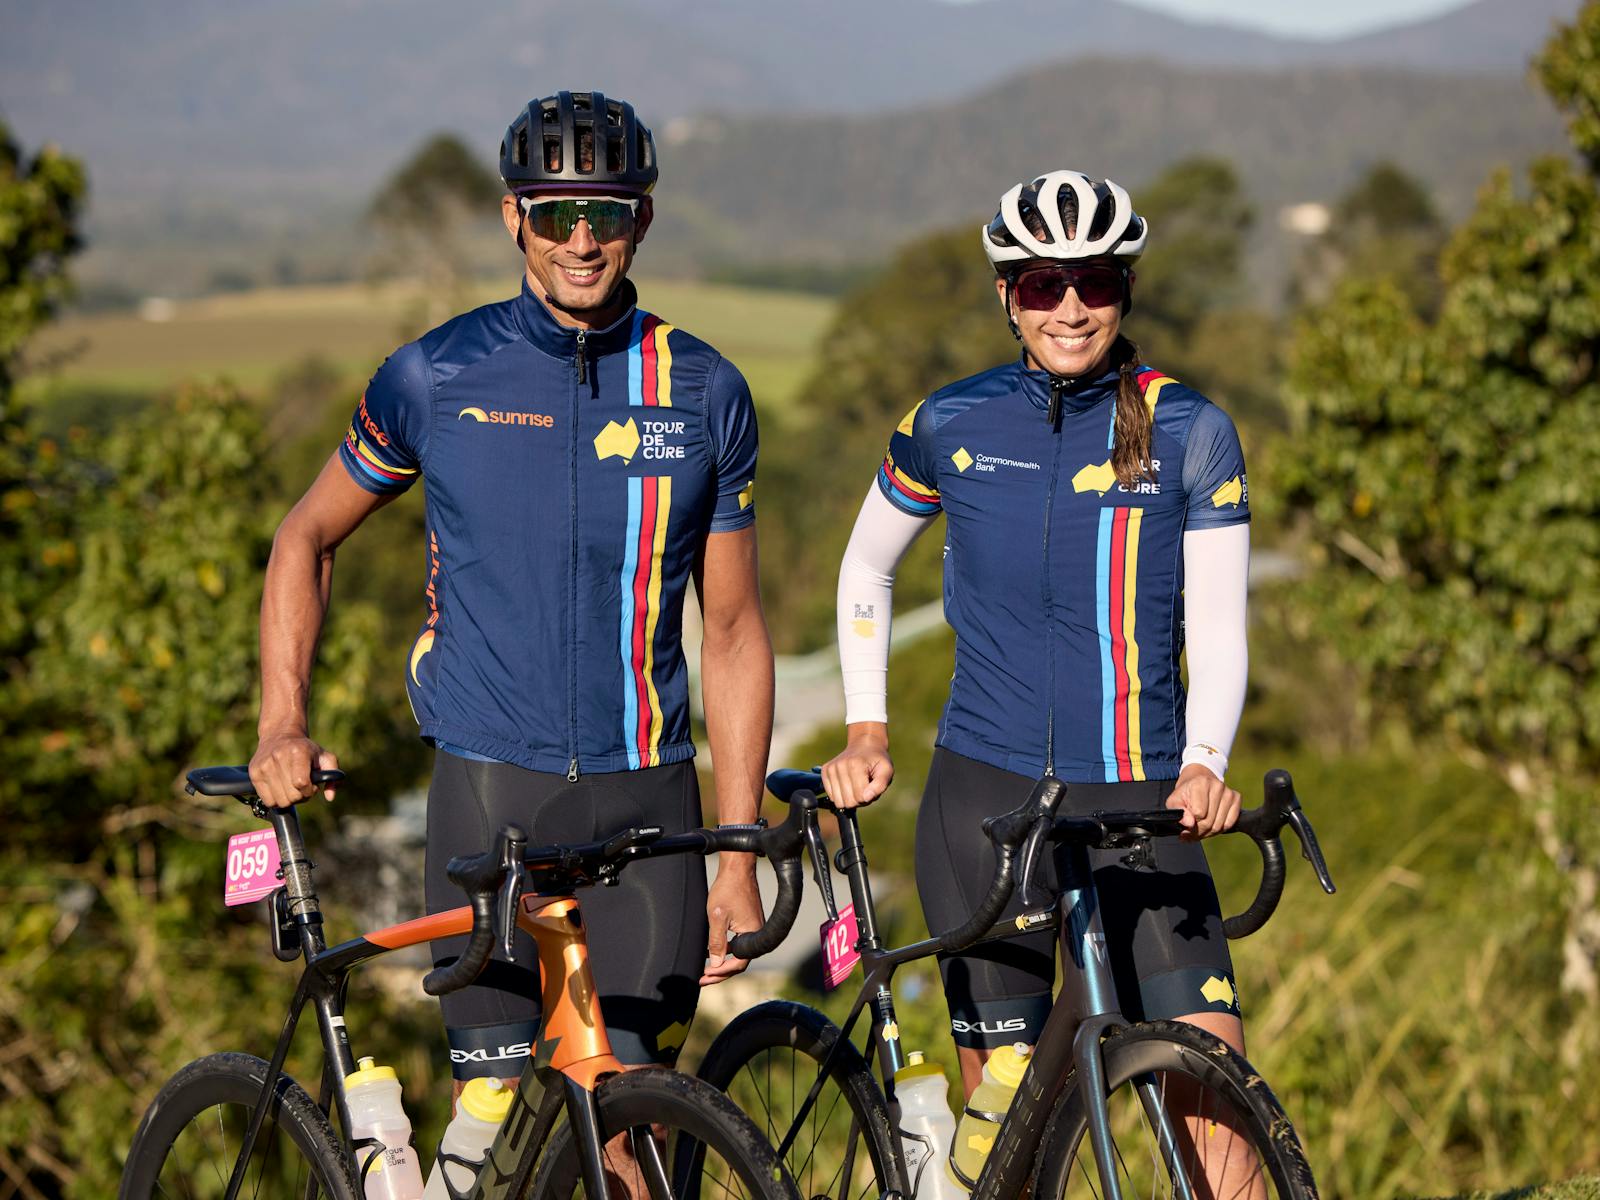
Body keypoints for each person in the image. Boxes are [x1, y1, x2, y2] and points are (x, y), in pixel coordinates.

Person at [249, 91, 773, 1091]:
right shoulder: (435, 375)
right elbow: (305, 536)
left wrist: (739, 856)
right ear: (511, 217)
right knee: (491, 1118)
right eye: (553, 214)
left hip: (648, 803)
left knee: (634, 1119)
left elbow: (737, 632)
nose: (581, 240)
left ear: (643, 220)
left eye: (608, 214)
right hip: (490, 795)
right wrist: (283, 720)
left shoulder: (705, 390)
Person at [822, 169, 1253, 1118]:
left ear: (1125, 289)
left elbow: (1221, 628)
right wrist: (866, 728)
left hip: (1143, 798)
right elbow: (865, 572)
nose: (1069, 307)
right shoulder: (950, 422)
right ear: (1007, 297)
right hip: (984, 799)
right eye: (1041, 284)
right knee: (1007, 1120)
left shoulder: (1191, 430)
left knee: (1212, 1092)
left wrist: (1206, 763)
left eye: (1093, 281)